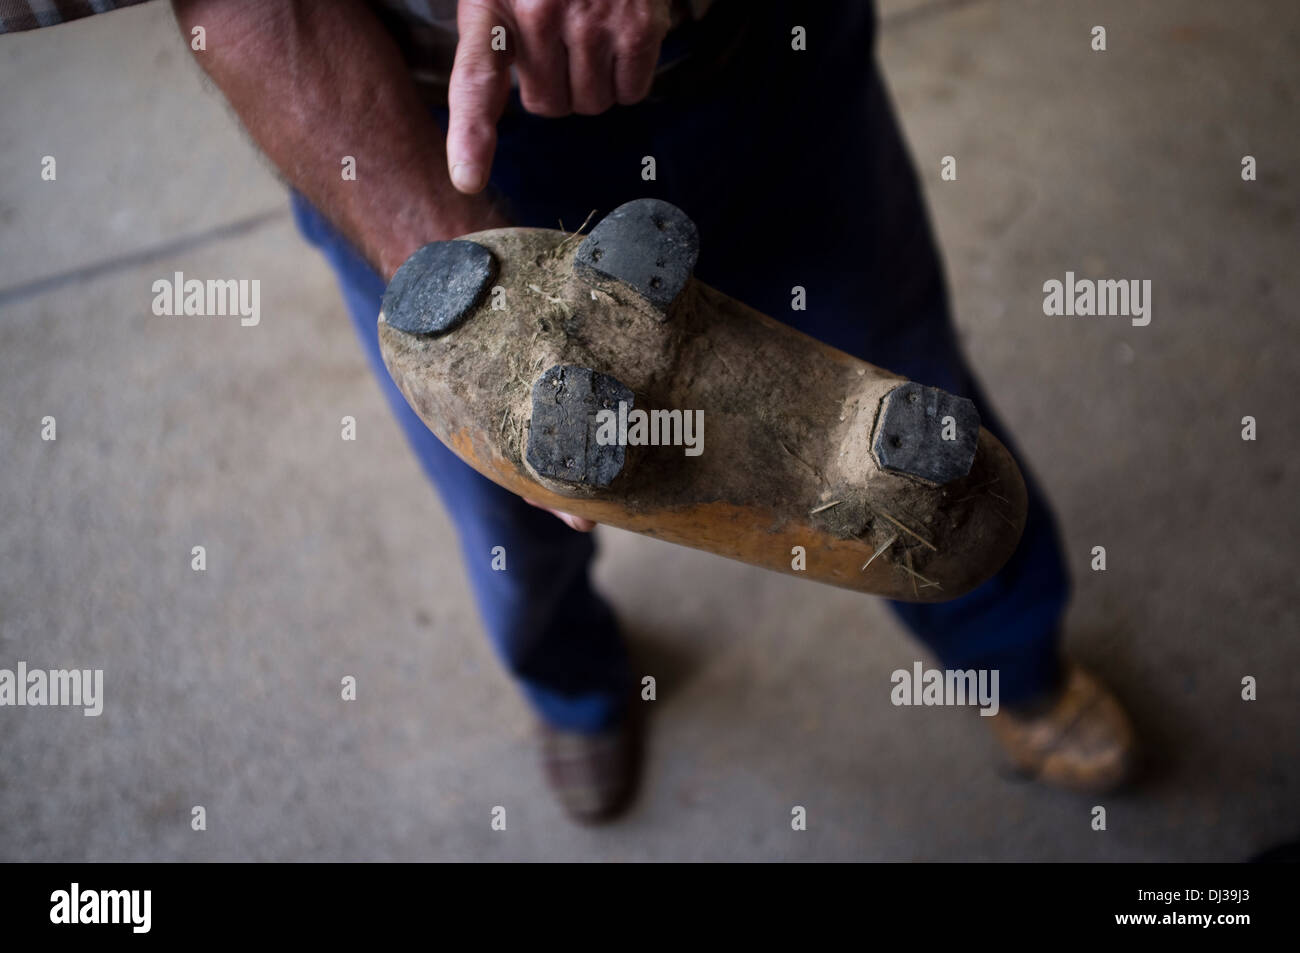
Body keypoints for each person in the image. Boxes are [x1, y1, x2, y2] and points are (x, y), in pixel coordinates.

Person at [5, 0, 1137, 822]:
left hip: (766, 53)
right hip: (427, 110)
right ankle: (578, 684)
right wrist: (437, 254)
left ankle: (1013, 661)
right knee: (514, 499)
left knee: (908, 397)